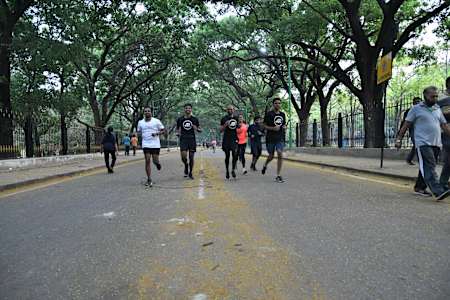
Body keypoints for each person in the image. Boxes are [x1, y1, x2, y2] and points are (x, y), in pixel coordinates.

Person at [396, 86, 450, 201]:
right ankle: (438, 191)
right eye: (432, 96)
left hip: (436, 143)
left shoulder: (437, 109)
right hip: (422, 143)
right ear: (425, 96)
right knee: (430, 165)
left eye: (436, 96)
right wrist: (399, 139)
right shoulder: (416, 109)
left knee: (428, 165)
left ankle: (419, 187)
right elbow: (406, 125)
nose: (435, 99)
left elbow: (444, 125)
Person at [137, 106, 165, 187]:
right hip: (146, 144)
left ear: (151, 112)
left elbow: (163, 130)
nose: (147, 112)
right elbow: (139, 132)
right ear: (144, 113)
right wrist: (136, 134)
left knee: (155, 161)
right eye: (145, 111)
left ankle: (157, 164)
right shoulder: (140, 122)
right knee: (147, 160)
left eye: (148, 111)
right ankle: (149, 179)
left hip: (155, 144)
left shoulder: (156, 121)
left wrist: (156, 134)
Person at [261, 98, 286, 183]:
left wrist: (284, 127)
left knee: (280, 153)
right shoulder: (269, 114)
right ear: (273, 104)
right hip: (270, 138)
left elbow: (283, 124)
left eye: (279, 103)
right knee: (271, 156)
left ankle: (278, 175)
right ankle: (265, 165)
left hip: (280, 138)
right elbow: (264, 126)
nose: (277, 105)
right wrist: (272, 128)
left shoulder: (282, 114)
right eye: (276, 103)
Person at [176, 103, 201, 179]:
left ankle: (190, 172)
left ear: (191, 109)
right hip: (183, 139)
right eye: (186, 108)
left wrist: (196, 128)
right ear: (184, 109)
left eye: (189, 108)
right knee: (183, 157)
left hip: (191, 139)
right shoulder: (180, 119)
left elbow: (200, 129)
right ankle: (186, 165)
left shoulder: (194, 119)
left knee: (191, 157)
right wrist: (178, 133)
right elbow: (178, 129)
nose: (188, 109)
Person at [400, 97, 421, 165]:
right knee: (417, 144)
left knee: (416, 145)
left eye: (419, 101)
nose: (418, 103)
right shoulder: (409, 111)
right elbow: (404, 122)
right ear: (413, 103)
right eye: (417, 102)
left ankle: (409, 159)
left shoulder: (423, 110)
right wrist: (400, 133)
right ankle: (421, 161)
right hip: (413, 129)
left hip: (421, 130)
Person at [220, 105, 239, 179]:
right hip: (226, 139)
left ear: (234, 110)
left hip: (234, 138)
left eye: (231, 109)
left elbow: (239, 127)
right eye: (228, 109)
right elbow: (221, 130)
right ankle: (227, 170)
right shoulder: (224, 118)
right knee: (227, 156)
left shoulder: (236, 118)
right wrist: (225, 124)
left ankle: (233, 170)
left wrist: (239, 125)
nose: (229, 110)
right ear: (226, 110)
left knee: (235, 154)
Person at [438, 77, 450, 189]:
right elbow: (442, 116)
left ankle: (443, 182)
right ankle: (442, 183)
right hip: (445, 132)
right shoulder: (442, 99)